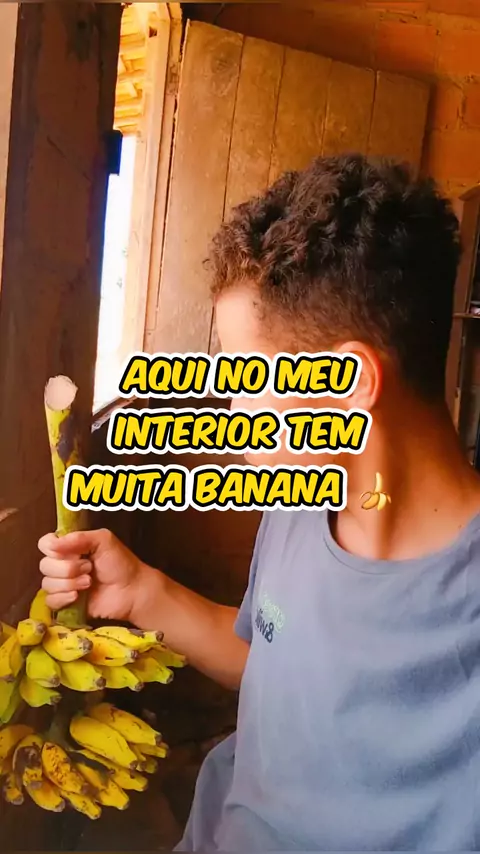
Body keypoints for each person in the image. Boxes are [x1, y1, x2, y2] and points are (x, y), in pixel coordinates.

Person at [38, 154, 480, 852]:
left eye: (247, 378)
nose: (230, 406)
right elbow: (277, 665)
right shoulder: (302, 501)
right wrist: (143, 591)